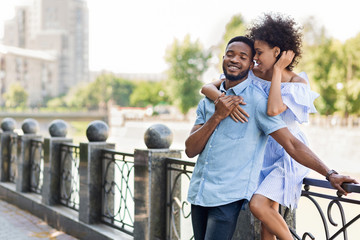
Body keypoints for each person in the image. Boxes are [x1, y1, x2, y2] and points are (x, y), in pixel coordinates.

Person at [185, 35, 357, 240]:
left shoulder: (257, 102)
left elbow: (292, 144)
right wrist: (217, 115)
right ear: (222, 58)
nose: (234, 60)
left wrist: (330, 174)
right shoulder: (208, 101)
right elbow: (190, 149)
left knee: (263, 209)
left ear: (250, 65)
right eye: (230, 55)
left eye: (243, 56)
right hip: (198, 194)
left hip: (226, 198)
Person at [200, 13, 319, 239]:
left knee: (259, 206)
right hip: (261, 151)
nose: (254, 58)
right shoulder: (252, 74)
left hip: (287, 154)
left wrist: (276, 72)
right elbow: (207, 87)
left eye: (259, 53)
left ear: (278, 52)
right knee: (266, 219)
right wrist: (219, 99)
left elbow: (273, 110)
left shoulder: (297, 82)